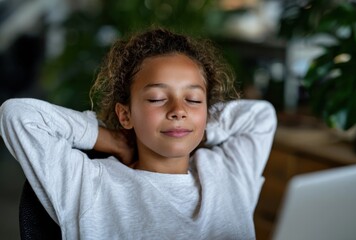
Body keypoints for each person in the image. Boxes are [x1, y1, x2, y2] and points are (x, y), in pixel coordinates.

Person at [0, 28, 276, 239]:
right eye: (157, 98)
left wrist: (201, 128)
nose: (179, 110)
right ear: (125, 114)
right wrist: (112, 139)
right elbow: (18, 115)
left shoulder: (228, 173)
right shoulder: (89, 184)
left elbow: (261, 116)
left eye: (193, 100)